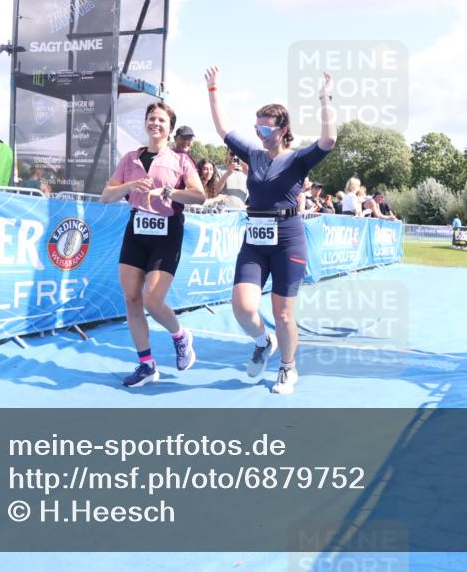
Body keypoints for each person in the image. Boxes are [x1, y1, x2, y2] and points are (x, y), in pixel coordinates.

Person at [206, 65, 336, 394]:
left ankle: (288, 368)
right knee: (243, 307)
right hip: (255, 236)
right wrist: (214, 91)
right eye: (257, 128)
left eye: (266, 129)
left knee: (282, 312)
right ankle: (264, 343)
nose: (260, 134)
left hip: (288, 239)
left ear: (283, 130)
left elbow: (329, 138)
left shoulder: (298, 159)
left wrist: (324, 98)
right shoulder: (253, 153)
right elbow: (223, 130)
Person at [101, 102, 206, 387]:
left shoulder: (182, 160)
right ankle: (146, 365)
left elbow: (199, 196)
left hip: (168, 230)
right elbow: (106, 196)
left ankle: (180, 336)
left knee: (152, 299)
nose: (155, 123)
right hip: (136, 229)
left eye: (161, 119)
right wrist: (128, 187)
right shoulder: (130, 159)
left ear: (170, 128)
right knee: (132, 298)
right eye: (151, 118)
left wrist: (170, 191)